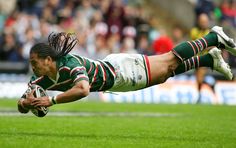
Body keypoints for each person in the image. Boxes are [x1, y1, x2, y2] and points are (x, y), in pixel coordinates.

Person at [17, 26, 236, 113]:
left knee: (169, 60)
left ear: (48, 59)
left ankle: (213, 37)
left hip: (120, 70)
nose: (32, 67)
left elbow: (83, 90)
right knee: (165, 74)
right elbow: (22, 104)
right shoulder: (41, 79)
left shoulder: (70, 64)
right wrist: (25, 104)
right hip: (117, 80)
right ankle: (208, 60)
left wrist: (52, 101)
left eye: (35, 62)